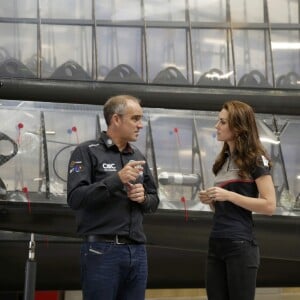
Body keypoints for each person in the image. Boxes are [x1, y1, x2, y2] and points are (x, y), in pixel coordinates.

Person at [67, 94, 160, 300]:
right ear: (116, 119)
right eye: (135, 119)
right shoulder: (86, 152)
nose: (140, 125)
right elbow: (75, 198)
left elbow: (154, 201)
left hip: (137, 252)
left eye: (141, 119)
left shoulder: (137, 156)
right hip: (101, 251)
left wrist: (143, 197)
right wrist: (116, 180)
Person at [199, 100, 276, 300]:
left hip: (240, 245)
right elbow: (226, 209)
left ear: (238, 127)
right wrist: (211, 200)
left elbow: (269, 205)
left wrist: (229, 195)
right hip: (216, 242)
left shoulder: (257, 159)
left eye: (222, 122)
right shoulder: (222, 162)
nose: (217, 126)